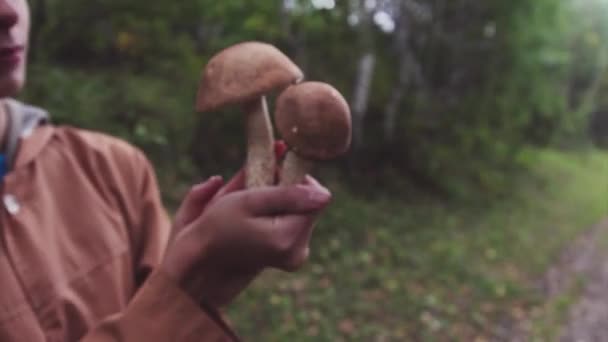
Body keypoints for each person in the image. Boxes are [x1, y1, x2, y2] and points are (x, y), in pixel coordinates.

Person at [0, 0, 332, 341]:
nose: (8, 12)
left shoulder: (115, 168)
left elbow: (162, 307)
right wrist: (182, 286)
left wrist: (200, 284)